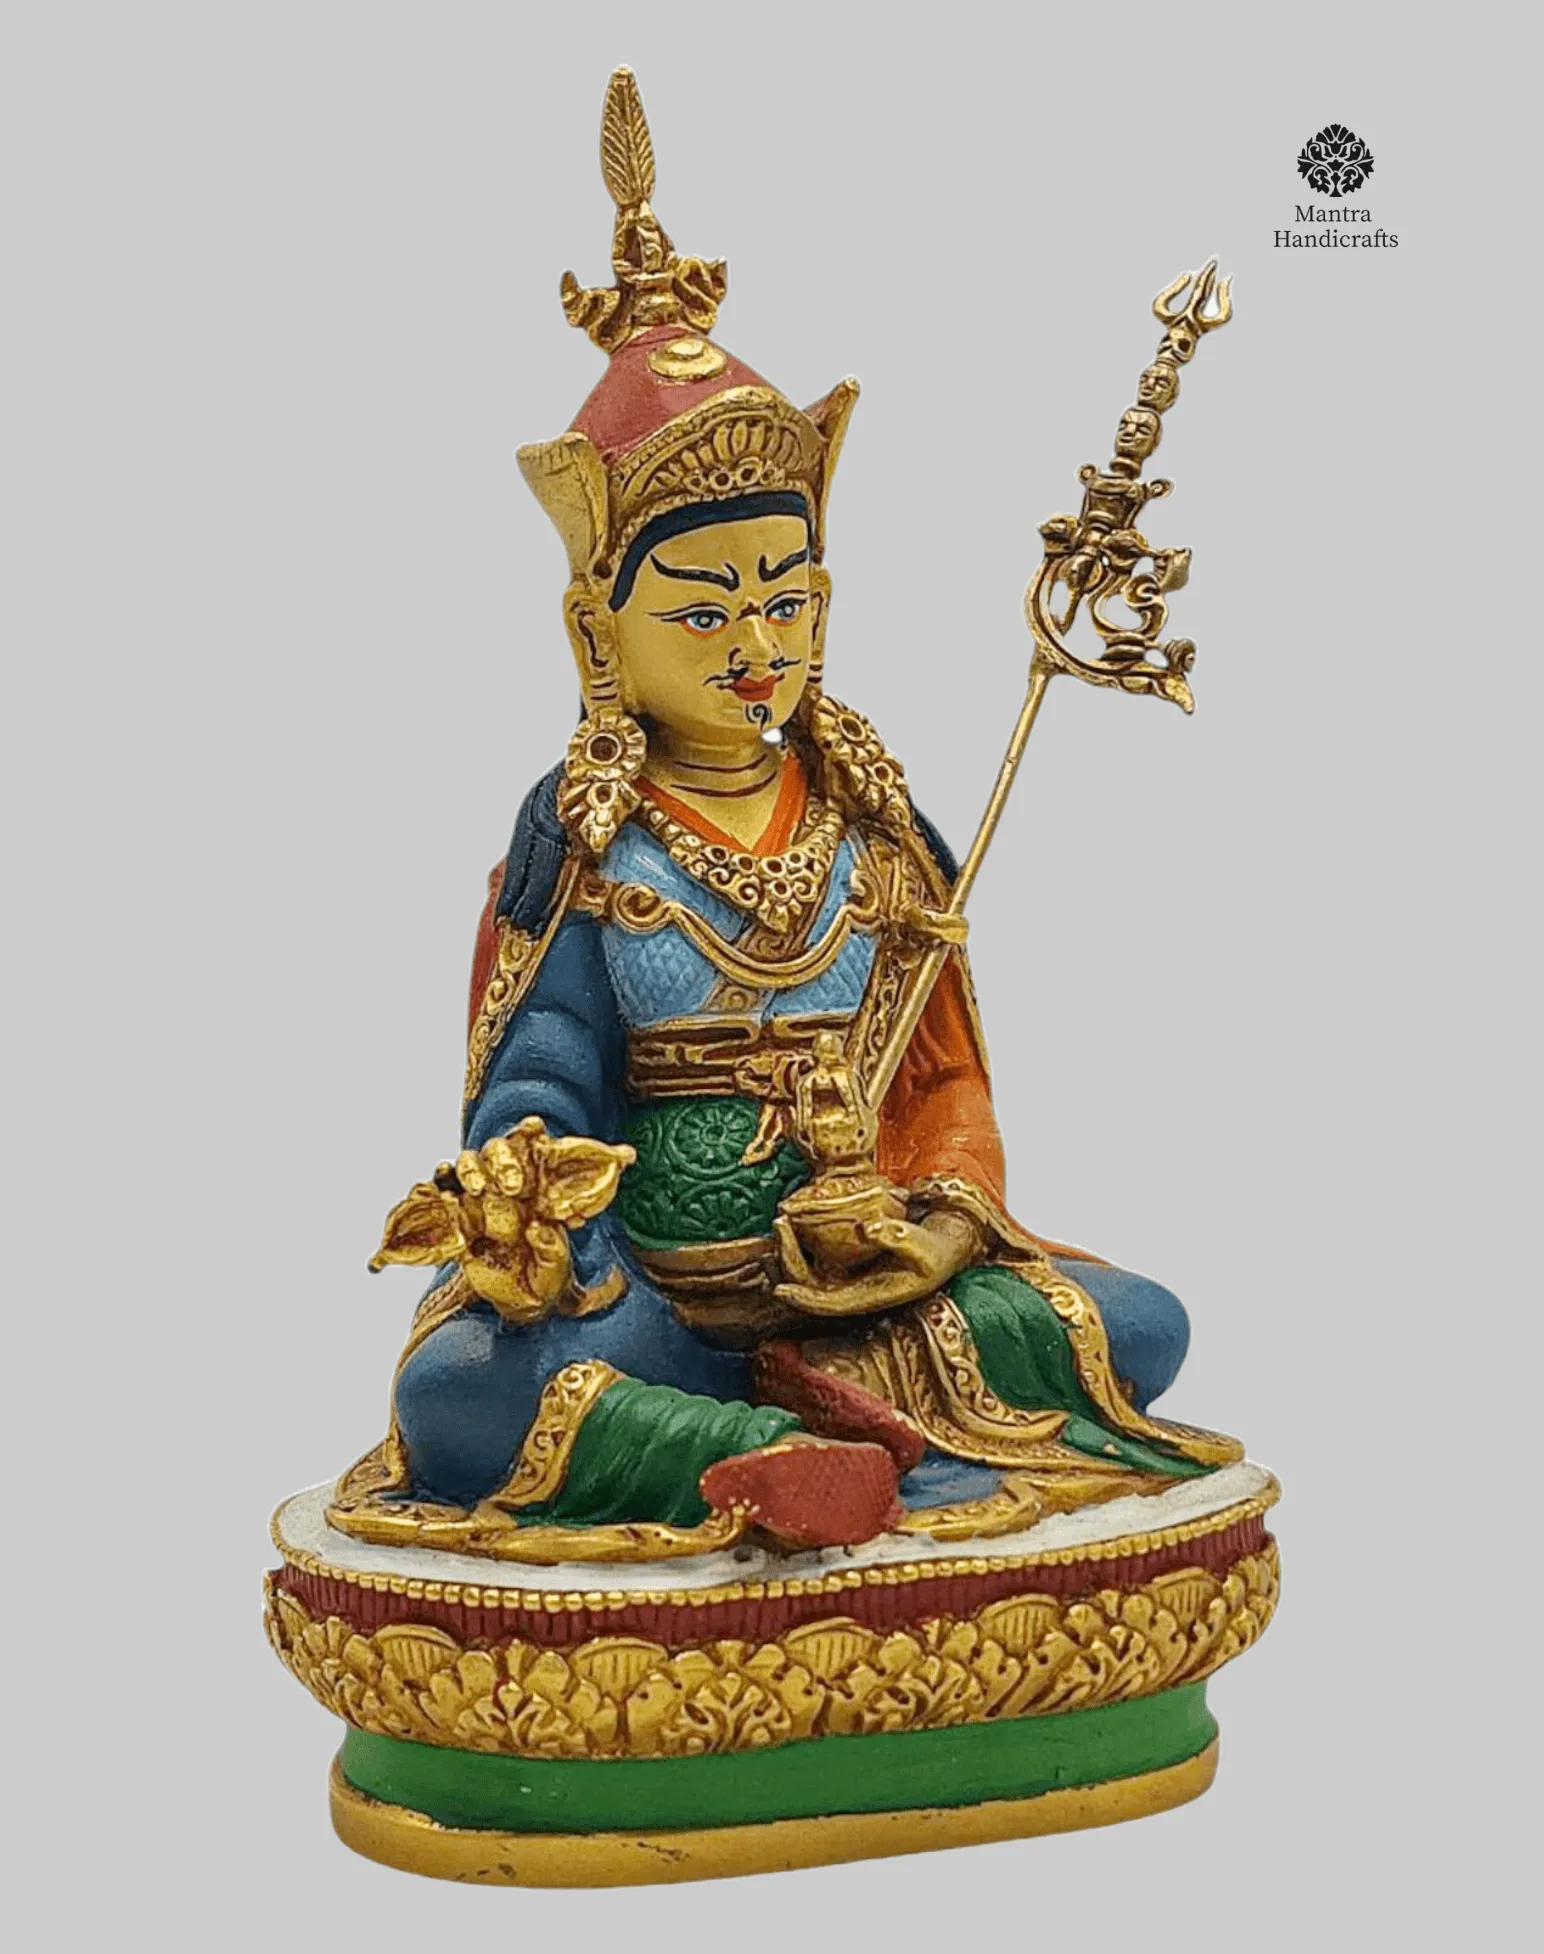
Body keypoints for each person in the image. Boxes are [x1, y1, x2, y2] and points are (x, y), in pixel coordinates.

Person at [331, 73, 1239, 1564]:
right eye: (703, 609)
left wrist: (933, 1226)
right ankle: (763, 1449)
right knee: (461, 1397)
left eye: (787, 599)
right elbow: (540, 1069)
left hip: (860, 1294)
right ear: (597, 632)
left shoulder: (877, 827)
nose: (757, 645)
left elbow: (945, 1080)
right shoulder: (591, 843)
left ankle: (804, 1420)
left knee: (1142, 1323)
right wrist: (532, 1190)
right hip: (648, 1297)